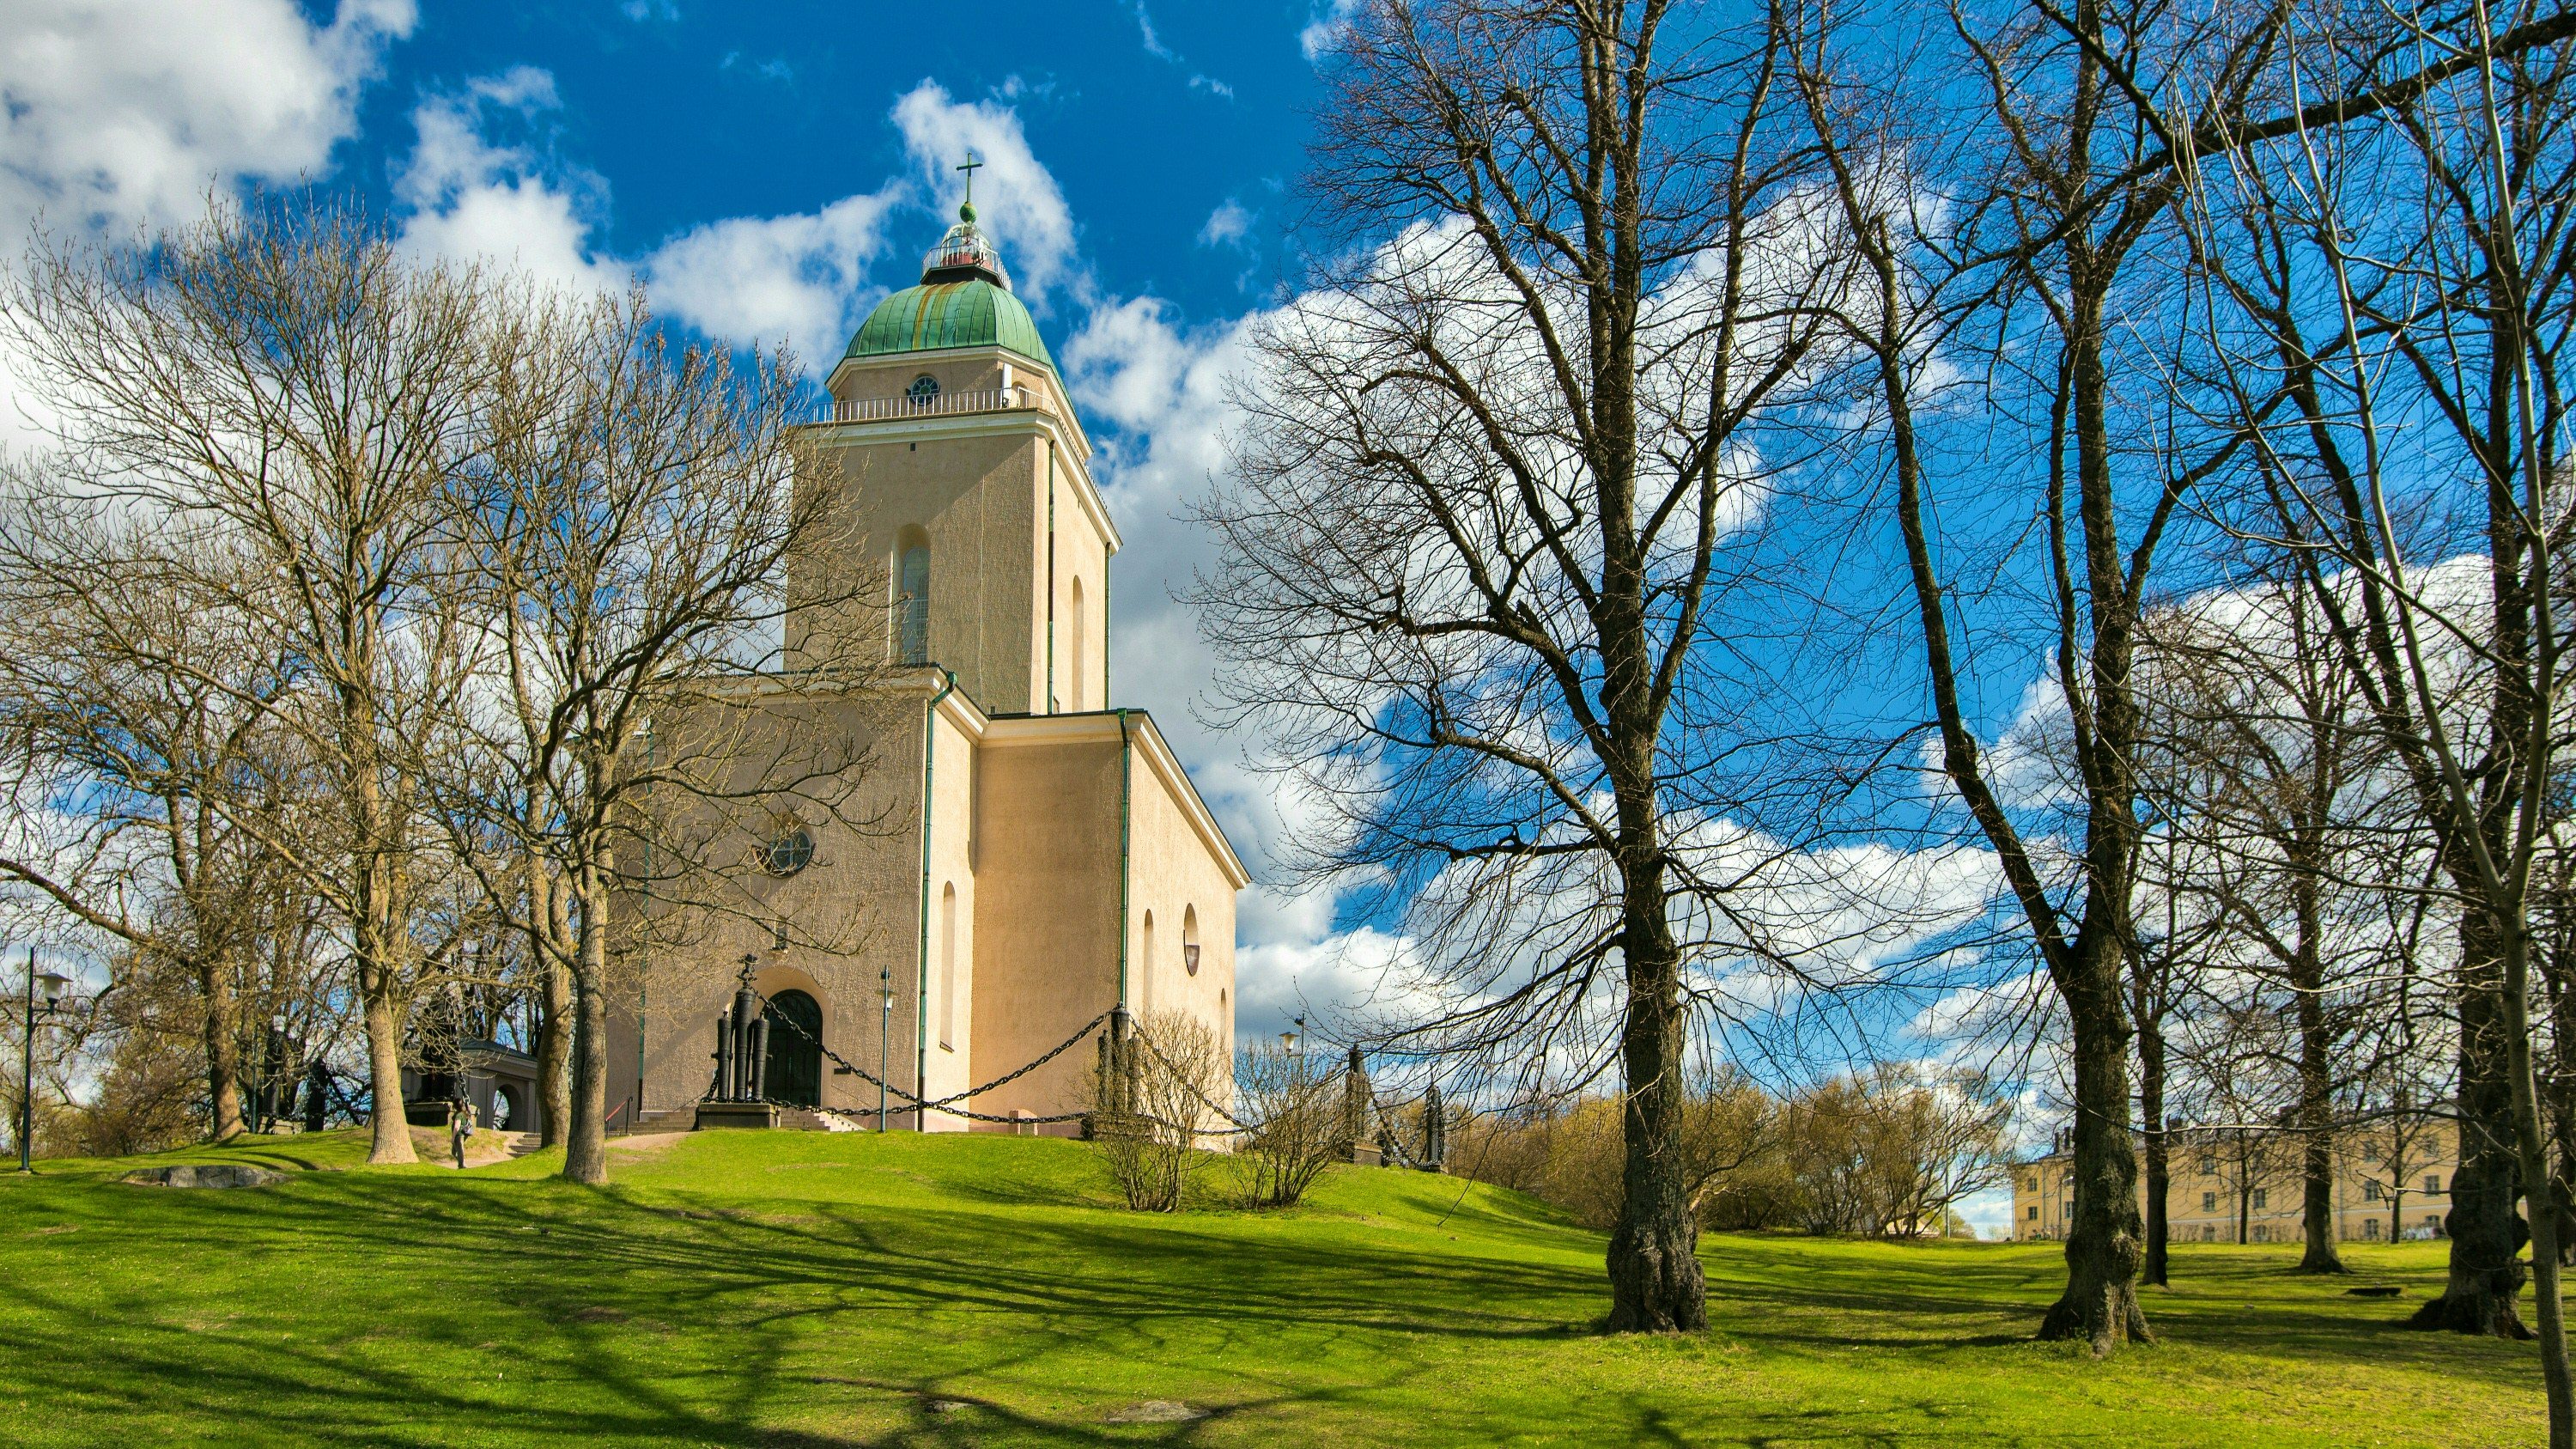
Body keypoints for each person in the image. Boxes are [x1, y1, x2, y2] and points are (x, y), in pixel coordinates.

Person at [450, 1099, 477, 1170]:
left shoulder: (459, 1115)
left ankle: (461, 1166)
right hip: (464, 1134)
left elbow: (457, 1127)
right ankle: (463, 1163)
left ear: (455, 1106)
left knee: (460, 1151)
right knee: (454, 1152)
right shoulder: (465, 1113)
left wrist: (453, 1137)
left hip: (459, 1135)